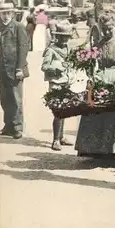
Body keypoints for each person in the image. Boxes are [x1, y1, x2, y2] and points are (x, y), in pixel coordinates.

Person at [74, 12, 115, 166]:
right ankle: (98, 152)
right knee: (96, 114)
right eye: (104, 29)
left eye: (110, 28)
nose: (107, 32)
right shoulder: (99, 44)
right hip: (101, 80)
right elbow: (93, 62)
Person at [0, 3, 30, 139]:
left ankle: (17, 127)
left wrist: (20, 68)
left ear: (12, 14)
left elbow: (23, 48)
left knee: (16, 100)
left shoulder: (18, 27)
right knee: (4, 99)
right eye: (3, 13)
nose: (5, 15)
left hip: (15, 69)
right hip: (2, 70)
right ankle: (8, 126)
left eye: (8, 13)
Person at [41, 22, 76, 151]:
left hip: (66, 82)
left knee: (64, 110)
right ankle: (55, 140)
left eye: (67, 37)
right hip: (56, 84)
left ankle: (61, 136)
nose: (65, 39)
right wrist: (56, 69)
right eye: (63, 37)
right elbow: (44, 67)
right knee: (58, 112)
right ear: (58, 37)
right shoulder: (51, 50)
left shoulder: (68, 49)